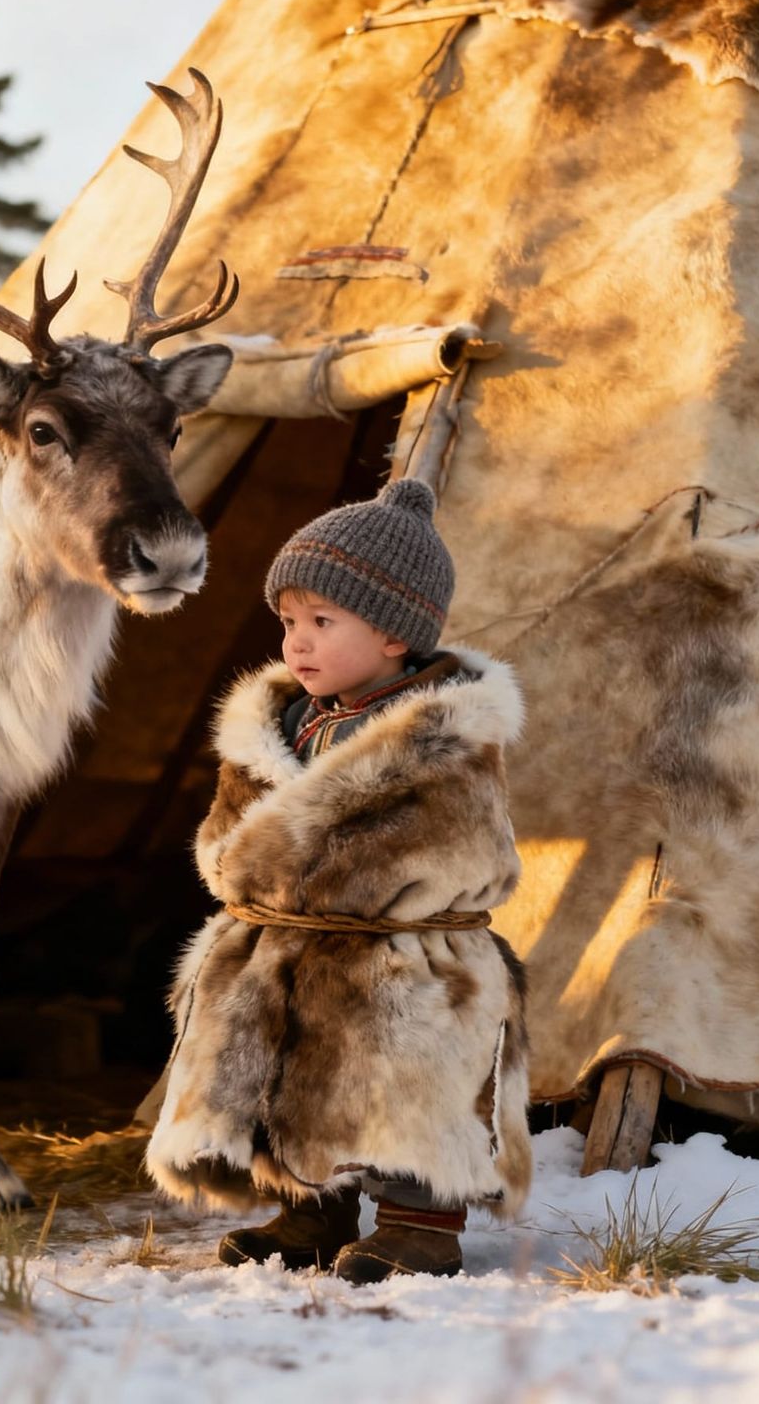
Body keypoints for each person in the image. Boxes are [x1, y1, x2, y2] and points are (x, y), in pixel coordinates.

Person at [144, 478, 531, 1282]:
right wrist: (249, 870)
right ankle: (308, 1210)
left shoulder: (442, 732)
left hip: (402, 952)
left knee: (405, 1082)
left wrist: (338, 873)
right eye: (288, 621)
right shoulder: (284, 725)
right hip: (292, 941)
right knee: (289, 1081)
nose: (297, 643)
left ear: (396, 634)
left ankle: (418, 1225)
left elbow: (458, 844)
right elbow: (234, 827)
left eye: (324, 622)